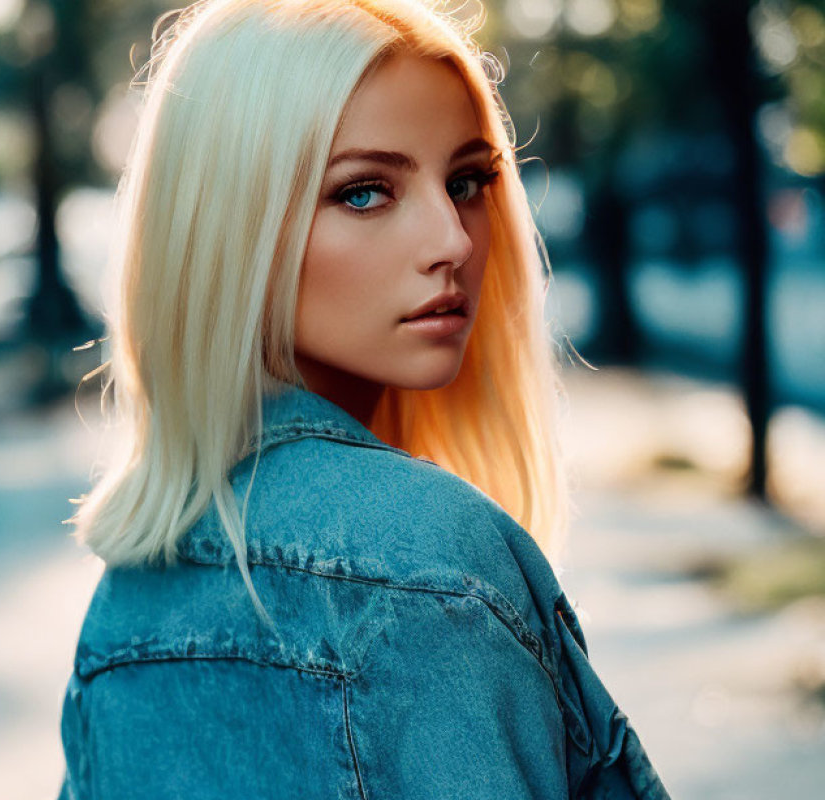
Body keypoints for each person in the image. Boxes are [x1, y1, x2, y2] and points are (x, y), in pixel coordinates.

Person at [57, 0, 671, 797]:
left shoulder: (120, 615)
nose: (452, 240)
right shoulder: (432, 561)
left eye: (468, 181)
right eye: (364, 193)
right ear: (228, 227)